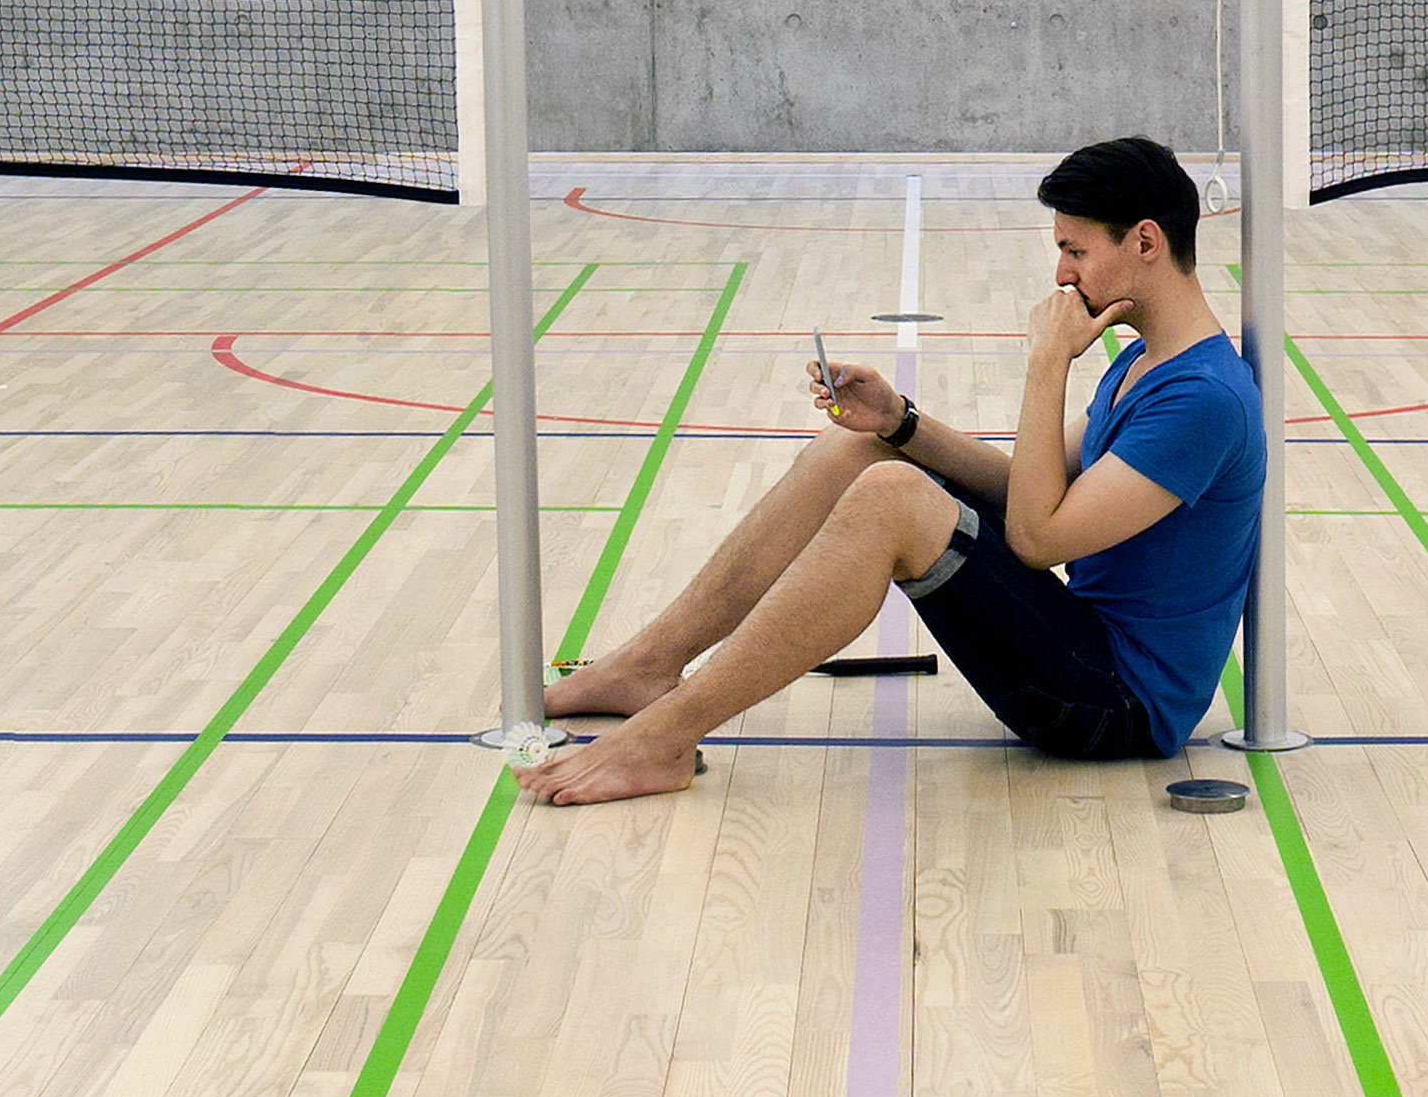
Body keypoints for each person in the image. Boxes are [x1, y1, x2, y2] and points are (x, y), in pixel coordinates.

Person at [530, 138, 1259, 806]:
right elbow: (1026, 492)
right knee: (864, 454)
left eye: (1075, 250)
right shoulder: (1146, 363)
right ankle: (648, 667)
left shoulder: (1203, 401)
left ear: (1146, 242)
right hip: (1081, 647)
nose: (1061, 274)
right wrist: (899, 422)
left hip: (1116, 705)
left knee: (891, 498)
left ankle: (664, 737)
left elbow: (1038, 538)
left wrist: (1047, 365)